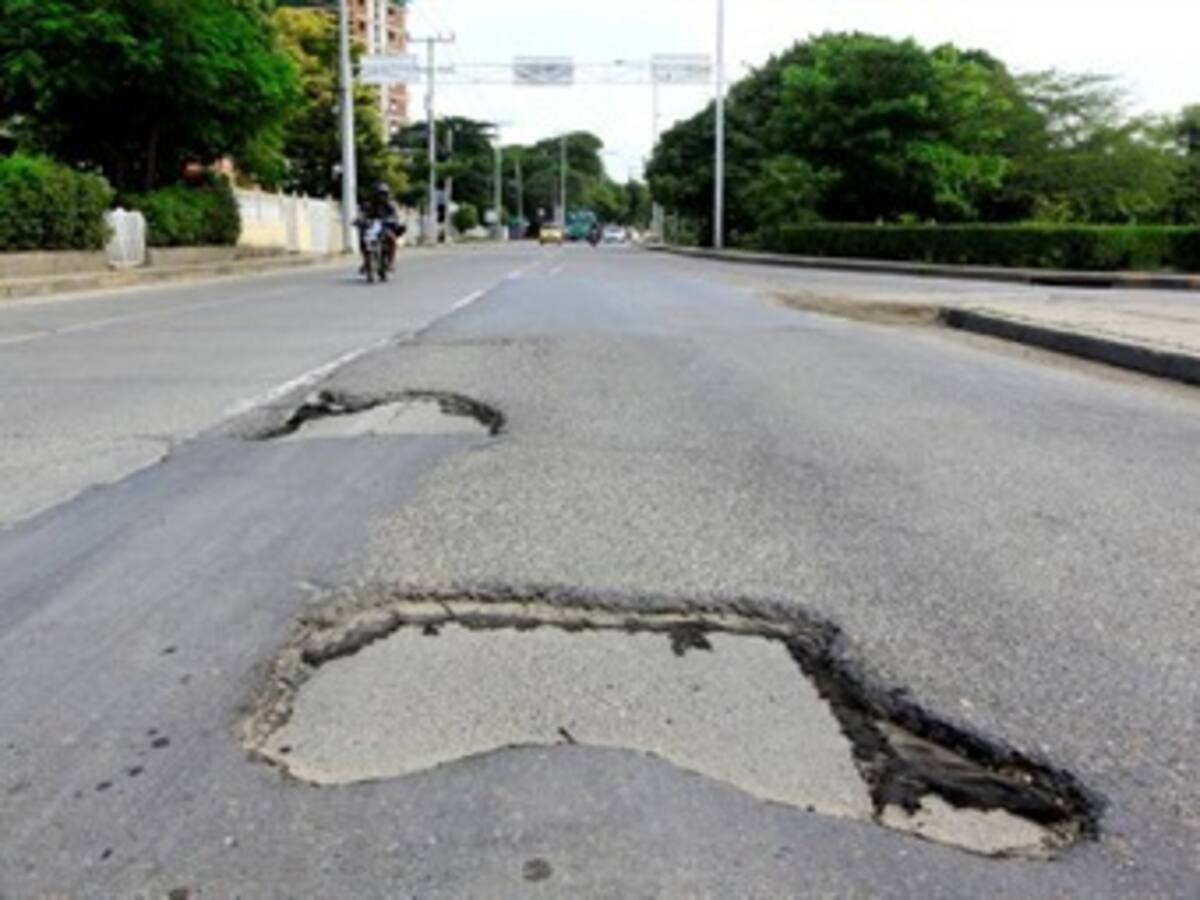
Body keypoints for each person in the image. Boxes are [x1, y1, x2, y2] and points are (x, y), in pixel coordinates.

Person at [356, 183, 404, 273]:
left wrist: (395, 221)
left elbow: (395, 216)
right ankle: (366, 261)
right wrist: (359, 220)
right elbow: (361, 215)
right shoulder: (367, 204)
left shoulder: (390, 205)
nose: (382, 196)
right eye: (380, 194)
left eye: (384, 194)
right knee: (363, 240)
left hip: (384, 228)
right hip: (371, 228)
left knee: (392, 239)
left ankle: (391, 262)